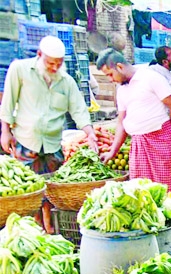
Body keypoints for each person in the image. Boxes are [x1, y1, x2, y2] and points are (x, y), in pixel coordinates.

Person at [0, 36, 98, 174]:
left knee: (53, 189)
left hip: (53, 146)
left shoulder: (67, 82)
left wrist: (90, 133)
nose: (54, 67)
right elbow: (8, 103)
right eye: (50, 63)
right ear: (39, 55)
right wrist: (5, 132)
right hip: (25, 141)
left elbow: (79, 111)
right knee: (27, 187)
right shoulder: (19, 69)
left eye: (59, 64)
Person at [96, 49, 171, 191]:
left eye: (110, 74)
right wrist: (112, 152)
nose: (111, 79)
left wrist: (169, 132)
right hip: (138, 144)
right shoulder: (121, 89)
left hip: (160, 139)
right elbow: (121, 121)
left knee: (163, 189)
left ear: (120, 67)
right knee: (140, 191)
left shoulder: (151, 77)